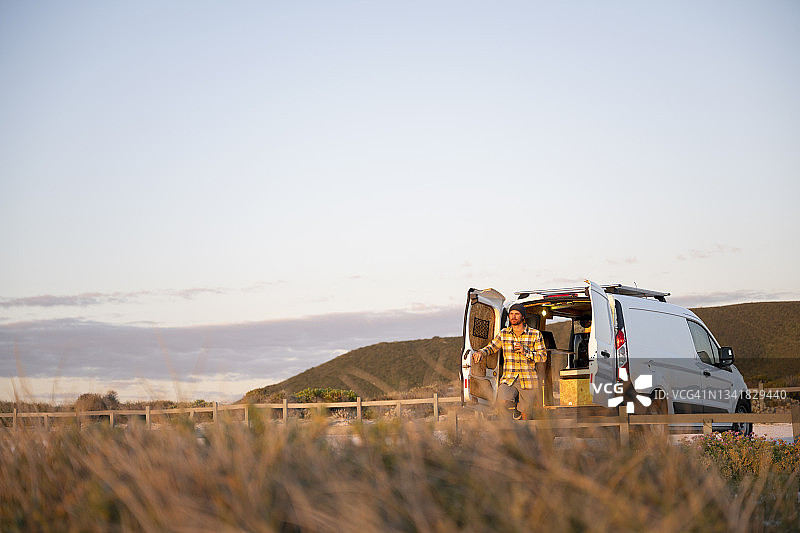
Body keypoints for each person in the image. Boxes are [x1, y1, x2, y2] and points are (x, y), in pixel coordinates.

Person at [472, 303, 548, 419]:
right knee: (502, 402)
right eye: (511, 314)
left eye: (517, 314)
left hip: (528, 380)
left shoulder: (535, 334)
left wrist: (526, 351)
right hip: (509, 378)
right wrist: (481, 352)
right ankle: (513, 418)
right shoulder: (504, 333)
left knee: (526, 415)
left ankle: (521, 419)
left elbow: (543, 357)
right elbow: (491, 347)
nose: (513, 316)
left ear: (523, 317)